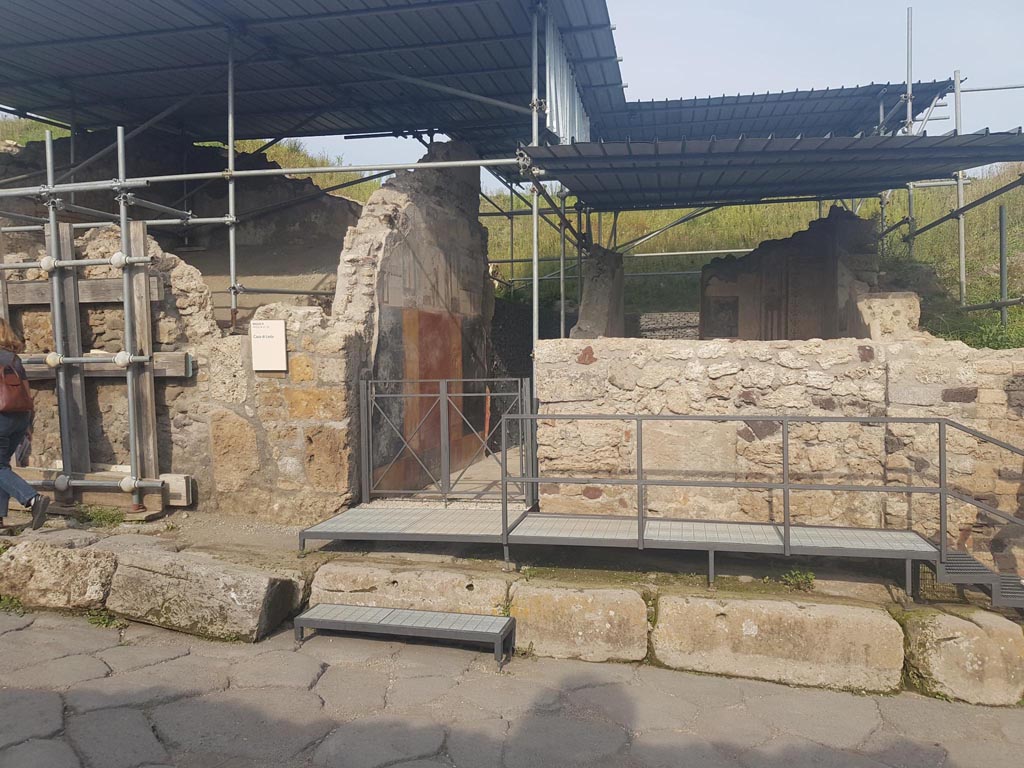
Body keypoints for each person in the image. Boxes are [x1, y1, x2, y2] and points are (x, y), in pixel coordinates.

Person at [0, 318, 49, 530]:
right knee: (2, 467)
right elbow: (27, 392)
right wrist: (28, 425)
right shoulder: (13, 358)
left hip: (1, 418)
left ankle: (31, 499)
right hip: (19, 418)